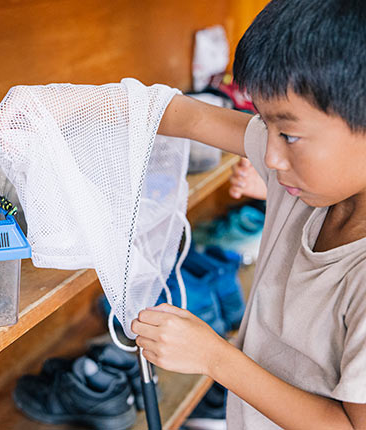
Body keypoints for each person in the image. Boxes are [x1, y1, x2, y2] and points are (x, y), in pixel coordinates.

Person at [131, 0, 366, 428]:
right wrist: (69, 108)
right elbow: (193, 117)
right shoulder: (305, 181)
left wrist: (215, 358)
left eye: (289, 134)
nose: (270, 156)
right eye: (264, 124)